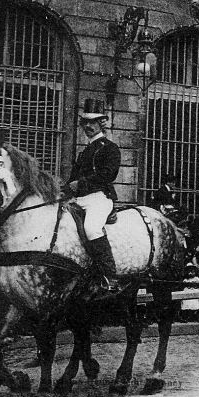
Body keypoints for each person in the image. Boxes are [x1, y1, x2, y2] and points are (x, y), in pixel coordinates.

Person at [66, 99, 121, 290]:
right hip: (79, 199)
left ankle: (110, 276)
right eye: (85, 123)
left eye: (93, 122)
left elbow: (108, 174)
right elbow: (71, 181)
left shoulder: (110, 148)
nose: (88, 126)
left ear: (102, 123)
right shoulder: (85, 152)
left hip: (99, 197)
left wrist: (81, 183)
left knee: (91, 228)